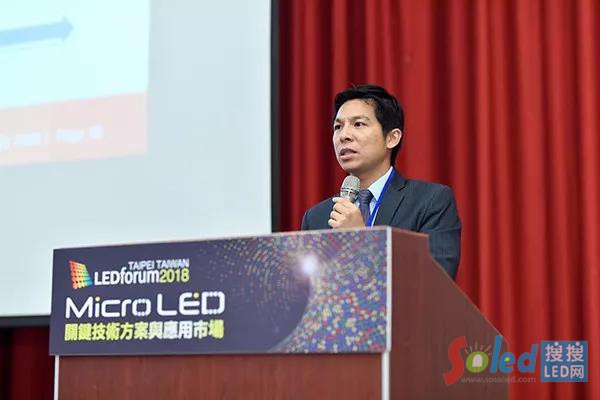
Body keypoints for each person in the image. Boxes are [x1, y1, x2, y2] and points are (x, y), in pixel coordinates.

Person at [301, 85, 461, 279]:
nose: (344, 135)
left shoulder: (430, 202)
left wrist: (360, 241)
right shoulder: (317, 217)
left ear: (392, 138)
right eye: (338, 127)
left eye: (358, 124)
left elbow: (436, 281)